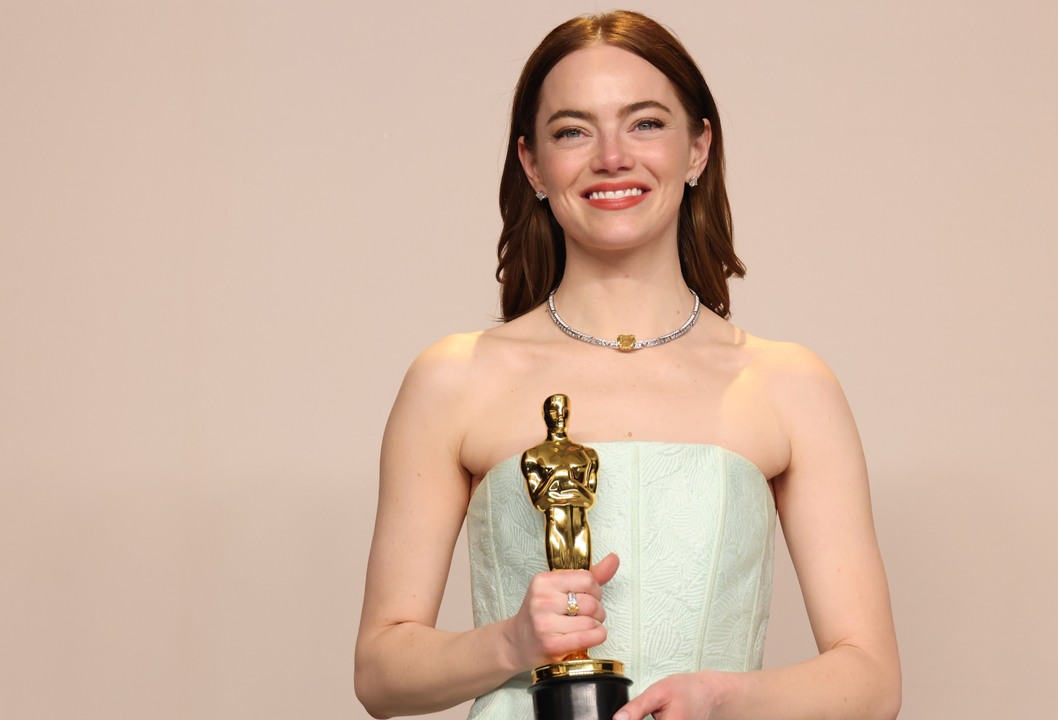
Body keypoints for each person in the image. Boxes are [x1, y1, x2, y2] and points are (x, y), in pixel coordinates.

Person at [354, 10, 901, 720]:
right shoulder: (452, 379)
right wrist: (512, 643)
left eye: (645, 123)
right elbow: (379, 671)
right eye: (573, 130)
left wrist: (722, 696)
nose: (612, 157)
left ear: (698, 148)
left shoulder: (790, 386)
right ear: (533, 165)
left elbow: (872, 680)